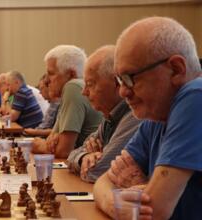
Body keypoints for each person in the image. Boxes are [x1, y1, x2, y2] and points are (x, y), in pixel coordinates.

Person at [93, 17, 202, 220]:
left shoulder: (196, 96)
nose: (123, 92)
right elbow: (102, 182)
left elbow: (154, 212)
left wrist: (136, 188)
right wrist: (113, 203)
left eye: (130, 78)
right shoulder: (156, 116)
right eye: (119, 80)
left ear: (176, 69)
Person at [67, 45, 140, 183]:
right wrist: (85, 156)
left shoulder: (134, 115)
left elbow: (97, 171)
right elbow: (72, 154)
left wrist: (95, 160)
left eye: (90, 84)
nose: (84, 92)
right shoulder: (110, 115)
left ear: (117, 82)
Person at [32, 45, 102, 159]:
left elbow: (62, 151)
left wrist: (39, 145)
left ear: (71, 74)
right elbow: (52, 139)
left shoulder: (73, 87)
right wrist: (50, 142)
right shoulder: (72, 89)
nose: (46, 80)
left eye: (51, 73)